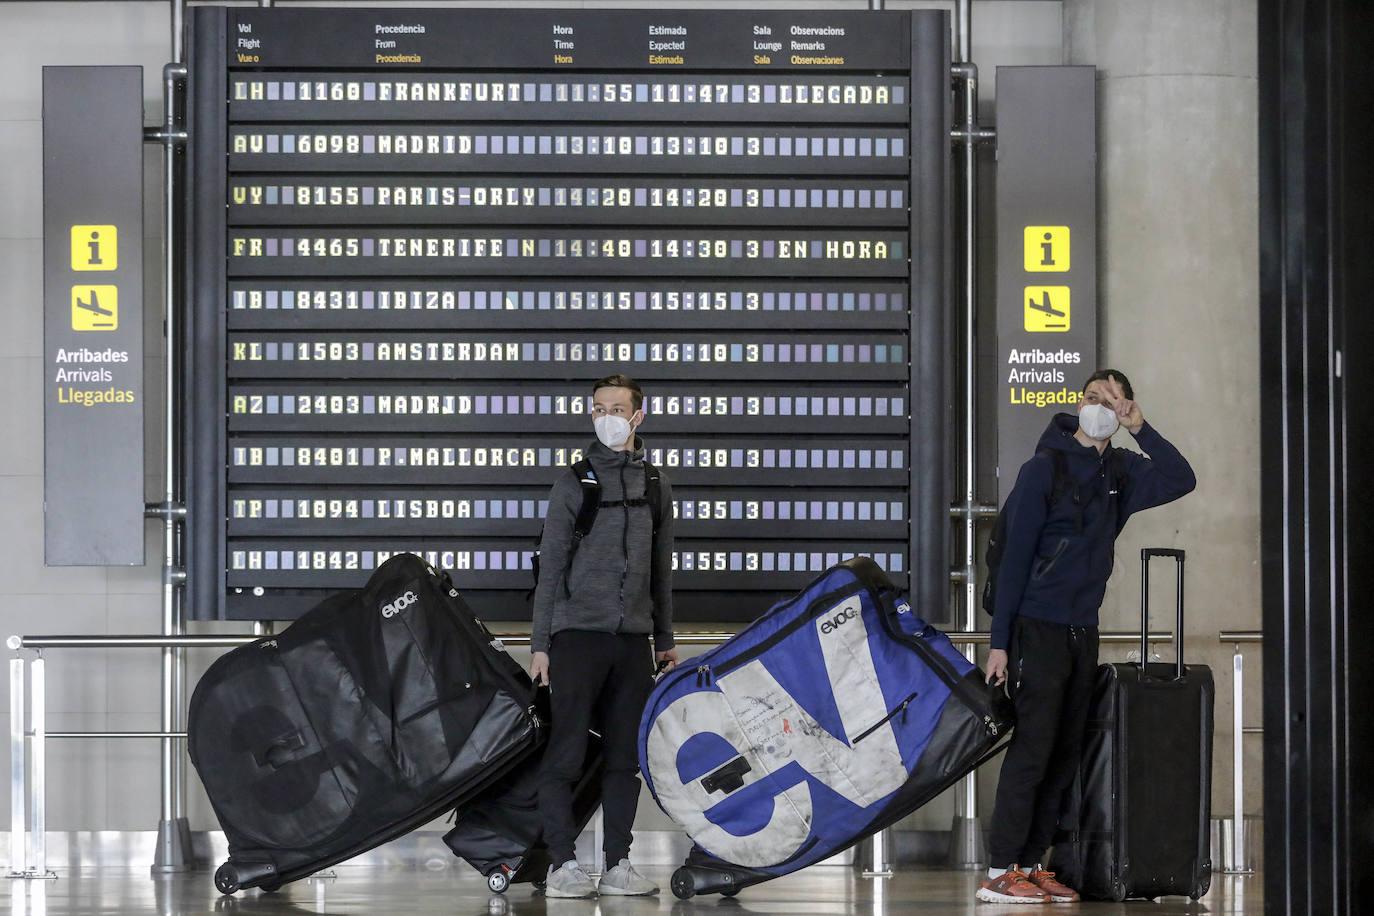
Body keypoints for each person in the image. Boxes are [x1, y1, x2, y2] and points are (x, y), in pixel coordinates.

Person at [977, 370, 1196, 905]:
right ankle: (1001, 868)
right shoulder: (1043, 469)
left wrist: (1141, 429)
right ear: (1079, 405)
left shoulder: (1118, 471)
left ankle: (1033, 864)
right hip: (1037, 627)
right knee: (1034, 746)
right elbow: (1015, 563)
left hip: (1082, 630)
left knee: (1066, 750)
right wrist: (1000, 641)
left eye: (1114, 402)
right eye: (1094, 398)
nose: (1101, 407)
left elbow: (1179, 478)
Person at [530, 374, 679, 898]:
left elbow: (661, 572)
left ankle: (619, 865)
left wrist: (664, 638)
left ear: (640, 415)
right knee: (565, 754)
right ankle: (561, 866)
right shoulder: (574, 481)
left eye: (617, 407)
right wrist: (541, 645)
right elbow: (549, 570)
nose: (606, 416)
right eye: (598, 408)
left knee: (623, 758)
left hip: (631, 642)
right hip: (576, 639)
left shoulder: (656, 485)